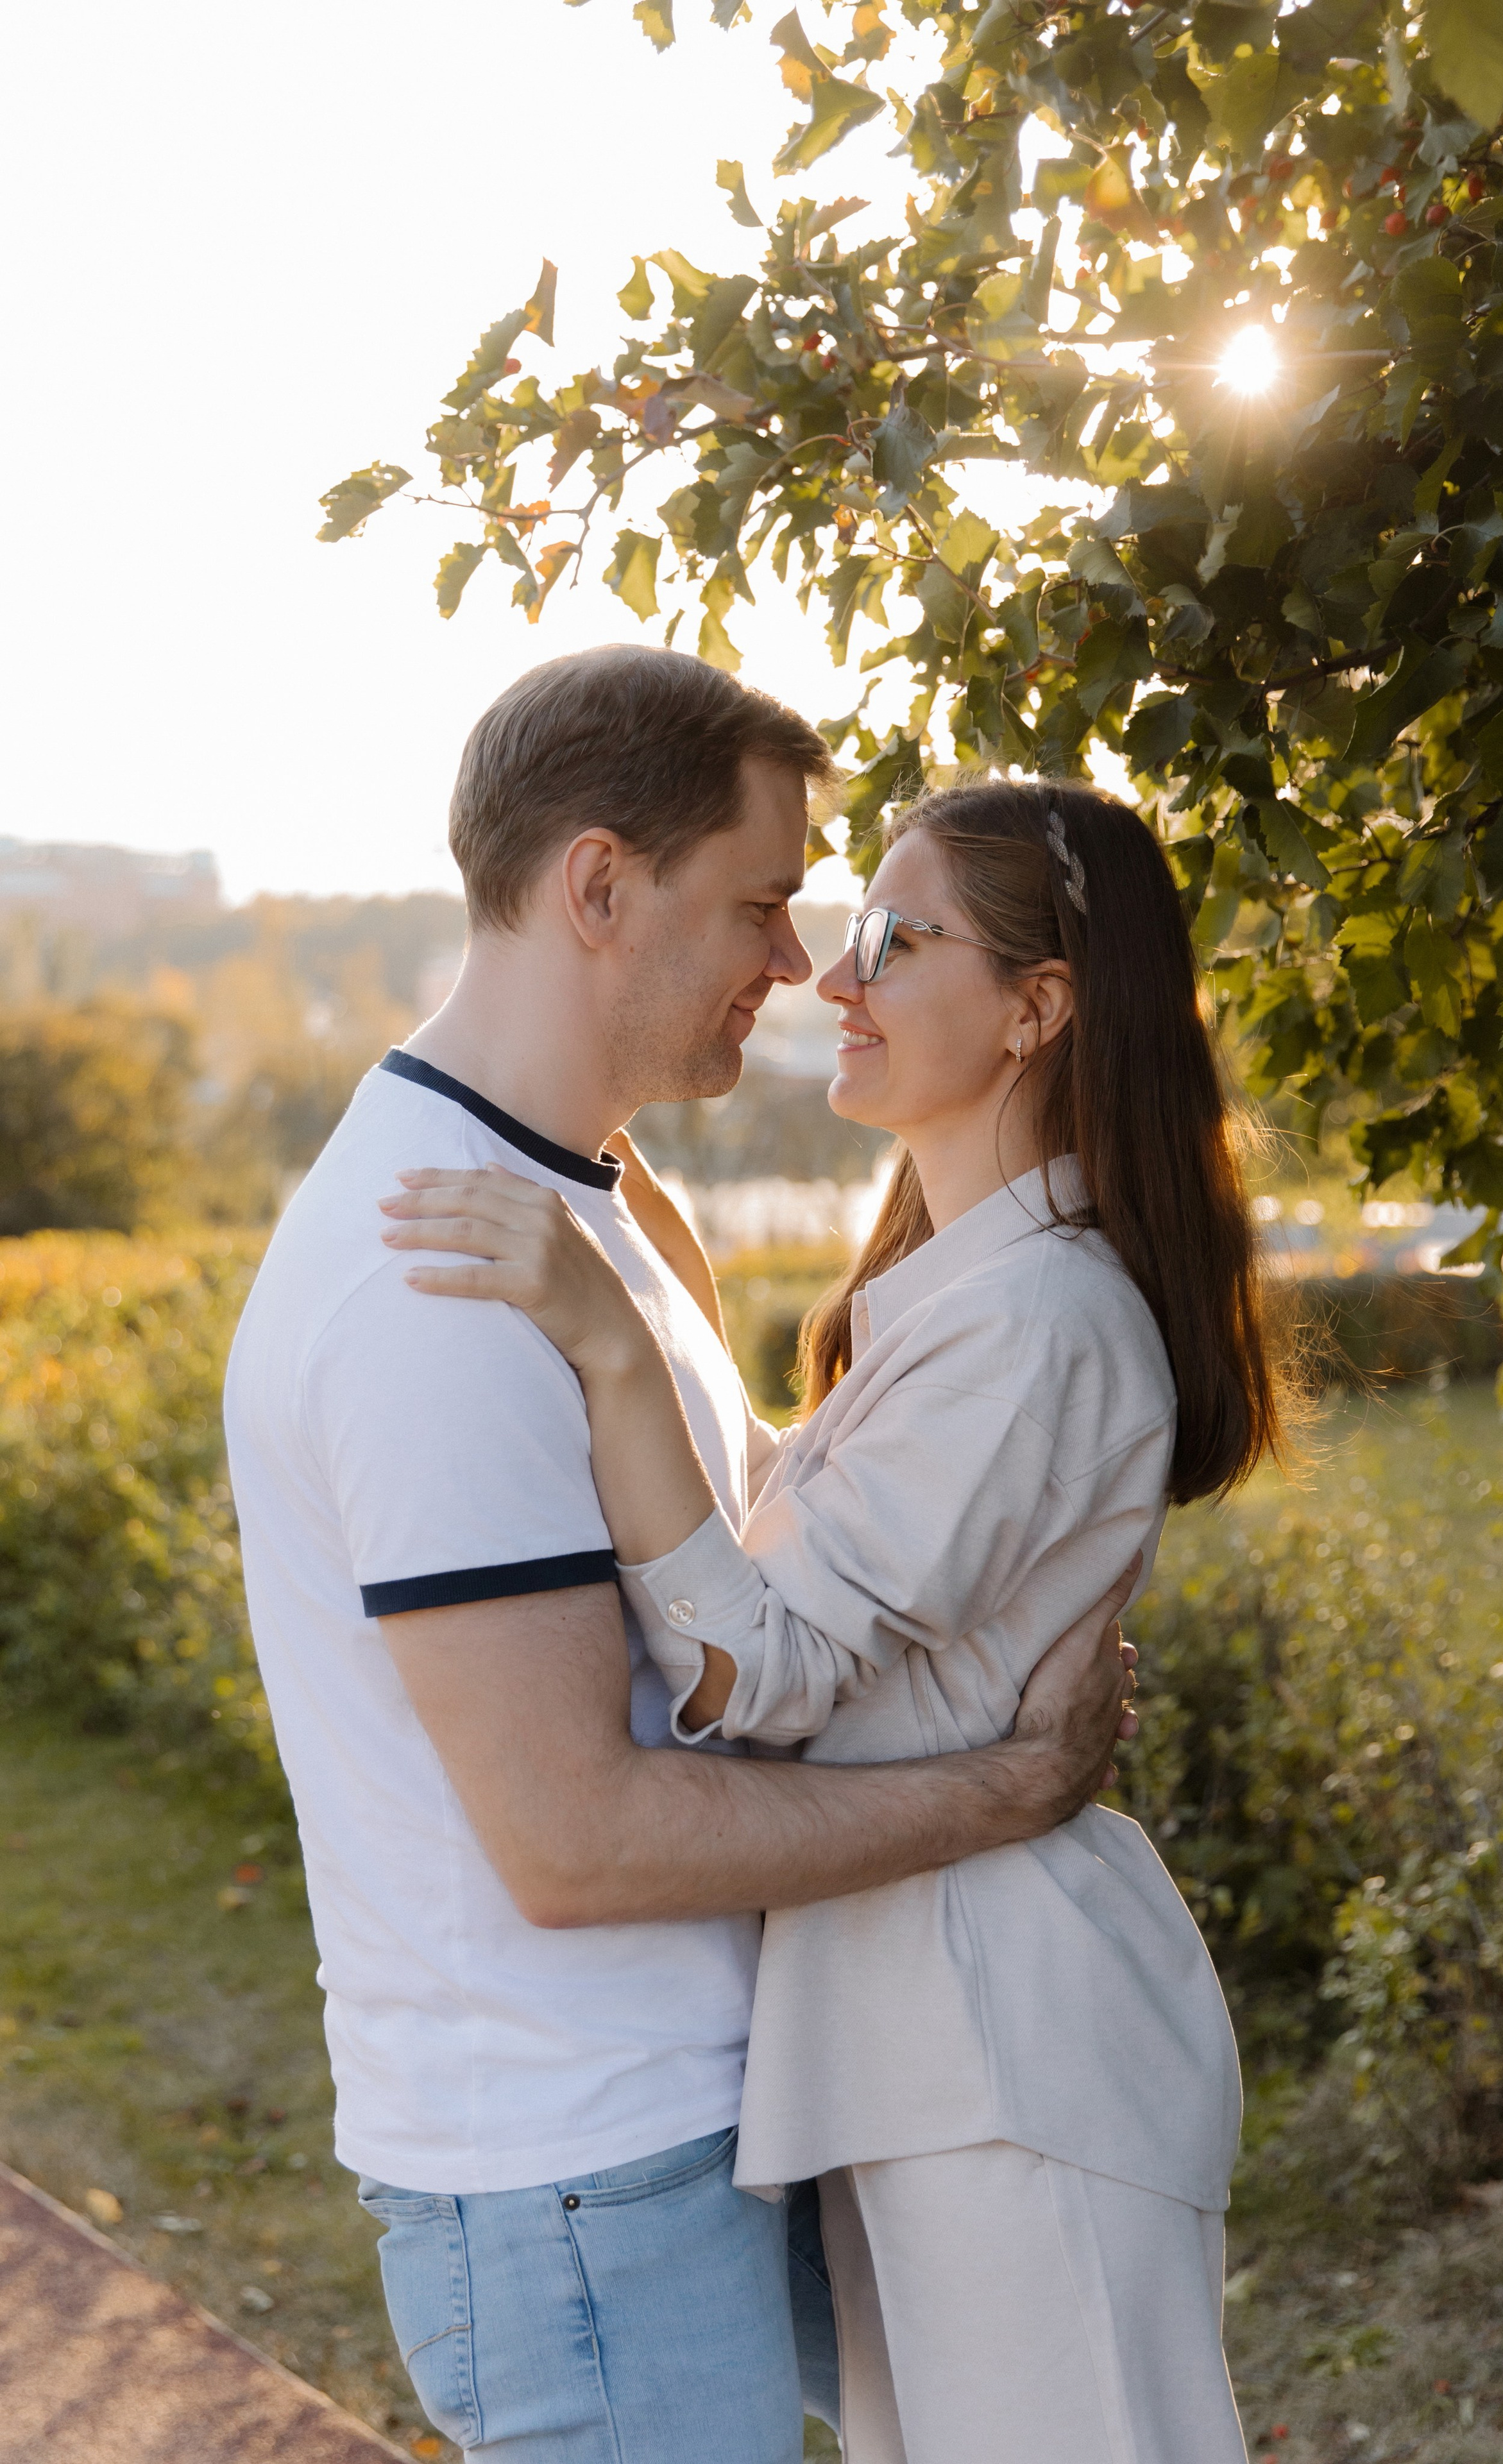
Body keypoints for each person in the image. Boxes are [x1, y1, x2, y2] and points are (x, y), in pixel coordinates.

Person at [223, 647, 1142, 2464]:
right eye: (762, 900)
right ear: (596, 885)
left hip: (681, 2137)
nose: (800, 965)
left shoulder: (581, 1209)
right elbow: (579, 1837)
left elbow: (740, 1575)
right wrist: (1013, 1785)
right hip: (578, 2184)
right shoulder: (440, 1280)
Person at [386, 772, 1293, 2464]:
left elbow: (768, 1664)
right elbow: (806, 1563)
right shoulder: (961, 1303)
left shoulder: (1043, 1322)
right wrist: (682, 1313)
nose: (835, 976)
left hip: (1007, 2059)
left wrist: (612, 1345)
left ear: (1038, 1009)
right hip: (929, 2041)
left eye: (898, 935)